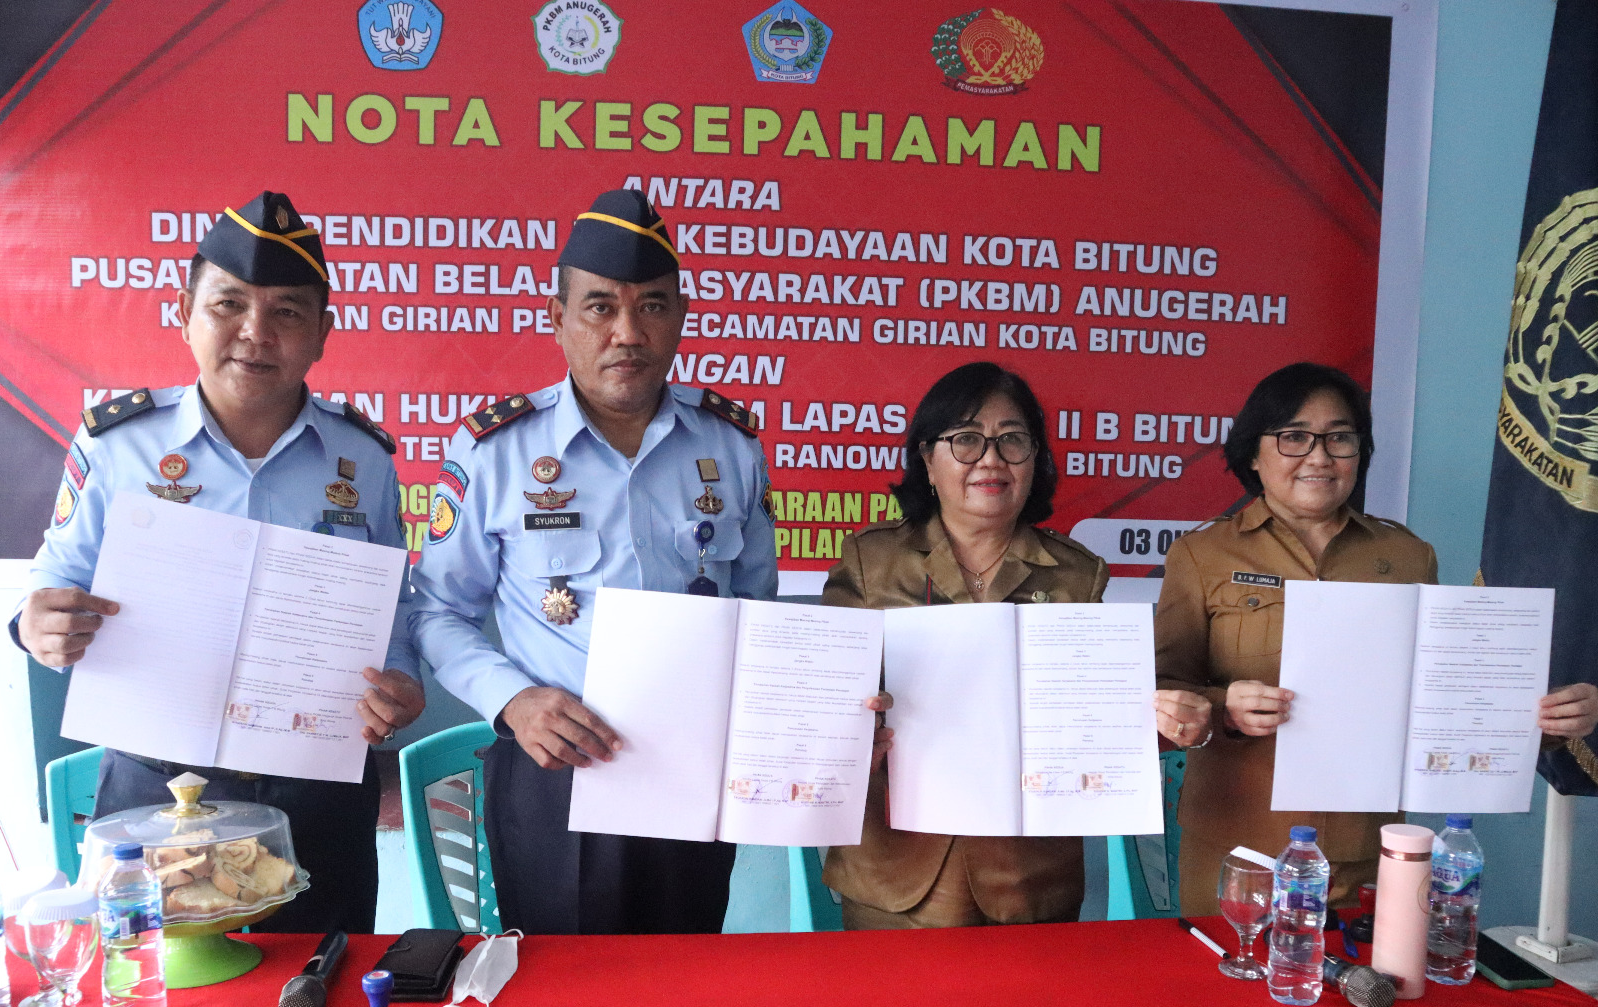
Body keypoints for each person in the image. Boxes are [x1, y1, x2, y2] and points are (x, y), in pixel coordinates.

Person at [14, 191, 426, 934]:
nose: (255, 333)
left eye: (286, 312)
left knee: (317, 982)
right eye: (228, 305)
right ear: (185, 313)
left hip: (316, 792)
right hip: (156, 788)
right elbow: (53, 580)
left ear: (323, 333)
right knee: (160, 987)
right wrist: (34, 625)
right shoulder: (118, 445)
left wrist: (399, 683)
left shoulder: (361, 459)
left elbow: (391, 610)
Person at [410, 189, 782, 935]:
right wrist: (514, 700)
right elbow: (437, 611)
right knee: (562, 988)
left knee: (684, 976)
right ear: (558, 318)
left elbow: (758, 612)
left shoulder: (730, 446)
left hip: (693, 767)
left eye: (652, 307)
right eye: (600, 307)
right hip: (554, 768)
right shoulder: (496, 450)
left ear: (681, 316)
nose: (627, 333)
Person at [1155, 362, 1598, 916]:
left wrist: (1543, 722)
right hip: (1239, 840)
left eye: (1340, 438)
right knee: (1228, 969)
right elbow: (1164, 690)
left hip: (1367, 842)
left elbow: (1443, 696)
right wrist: (1225, 707)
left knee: (1365, 971)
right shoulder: (1202, 555)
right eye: (1294, 437)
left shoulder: (1408, 556)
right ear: (1253, 453)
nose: (1319, 457)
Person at [821, 362, 1213, 929]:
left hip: (1030, 873)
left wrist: (1164, 722)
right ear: (927, 459)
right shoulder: (871, 560)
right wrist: (856, 725)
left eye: (1012, 440)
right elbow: (823, 702)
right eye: (966, 439)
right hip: (897, 868)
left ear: (1035, 460)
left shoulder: (1076, 574)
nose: (990, 459)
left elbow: (1100, 720)